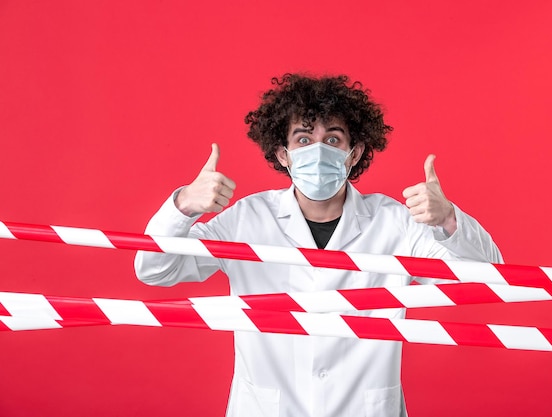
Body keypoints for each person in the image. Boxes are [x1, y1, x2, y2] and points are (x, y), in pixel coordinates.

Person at [134, 73, 503, 417]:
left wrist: (448, 220)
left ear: (353, 153)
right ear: (284, 154)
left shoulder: (397, 223)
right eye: (304, 139)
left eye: (332, 140)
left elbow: (485, 284)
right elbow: (153, 269)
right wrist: (183, 206)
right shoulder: (247, 219)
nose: (318, 150)